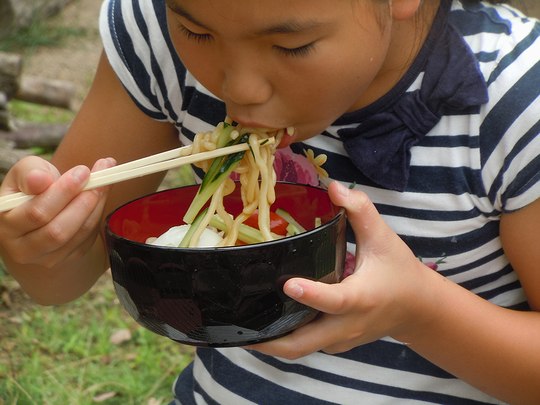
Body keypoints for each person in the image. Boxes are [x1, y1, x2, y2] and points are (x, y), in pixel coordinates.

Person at [0, 0, 539, 403]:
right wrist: (37, 242)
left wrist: (419, 312)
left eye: (290, 46)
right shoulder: (158, 39)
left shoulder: (518, 97)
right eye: (196, 30)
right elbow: (59, 280)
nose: (240, 89)